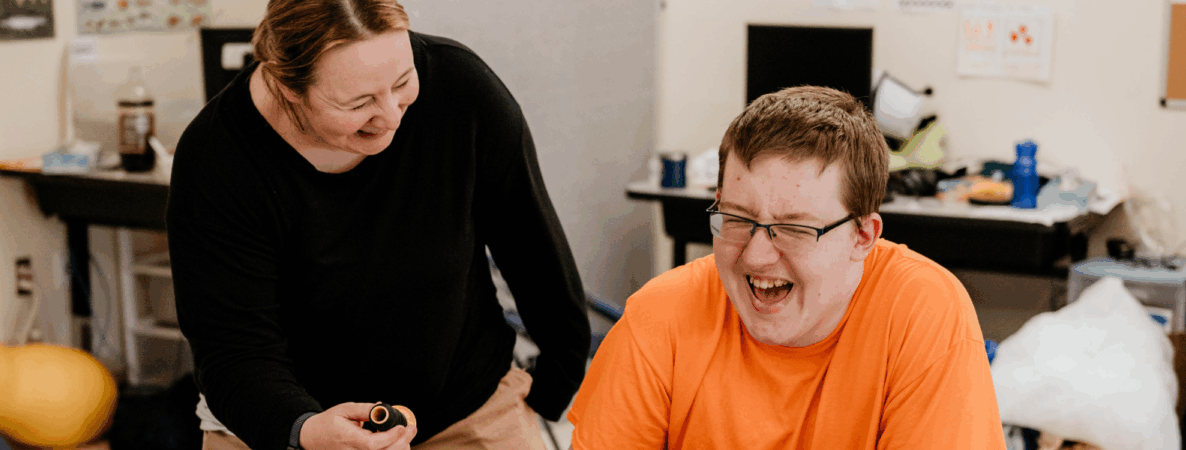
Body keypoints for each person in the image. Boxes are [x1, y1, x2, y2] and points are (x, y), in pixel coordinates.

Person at [165, 0, 591, 449]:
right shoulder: (217, 161)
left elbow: (537, 258)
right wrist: (303, 430)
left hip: (468, 410)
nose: (391, 116)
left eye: (404, 82)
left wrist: (548, 394)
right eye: (359, 102)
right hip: (276, 424)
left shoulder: (461, 89)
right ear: (288, 86)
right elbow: (234, 352)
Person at [567, 86, 1004, 449]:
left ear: (863, 236)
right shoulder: (660, 315)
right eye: (736, 218)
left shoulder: (922, 312)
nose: (756, 256)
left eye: (794, 228)